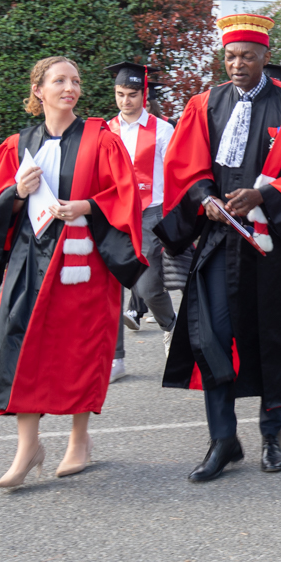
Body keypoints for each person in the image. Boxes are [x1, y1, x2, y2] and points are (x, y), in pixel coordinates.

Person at [156, 14, 281, 482]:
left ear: (265, 58)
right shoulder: (204, 104)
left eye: (247, 57)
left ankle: (271, 435)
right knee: (211, 336)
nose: (237, 65)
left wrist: (264, 196)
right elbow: (184, 169)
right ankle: (223, 440)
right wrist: (204, 198)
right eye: (230, 56)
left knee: (270, 336)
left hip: (269, 244)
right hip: (217, 242)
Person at [0, 56, 146, 490]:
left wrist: (85, 207)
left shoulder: (102, 139)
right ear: (38, 91)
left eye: (76, 81)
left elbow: (124, 197)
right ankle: (29, 447)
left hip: (83, 262)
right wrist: (16, 195)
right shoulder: (17, 145)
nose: (70, 87)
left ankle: (79, 440)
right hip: (30, 264)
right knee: (23, 347)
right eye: (59, 80)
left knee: (81, 348)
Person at [105, 62, 178, 380]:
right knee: (111, 289)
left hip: (151, 214)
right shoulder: (107, 130)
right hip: (114, 215)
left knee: (148, 288)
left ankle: (171, 326)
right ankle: (115, 359)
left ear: (143, 94)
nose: (125, 101)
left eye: (132, 94)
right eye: (120, 94)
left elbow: (176, 173)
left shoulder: (162, 130)